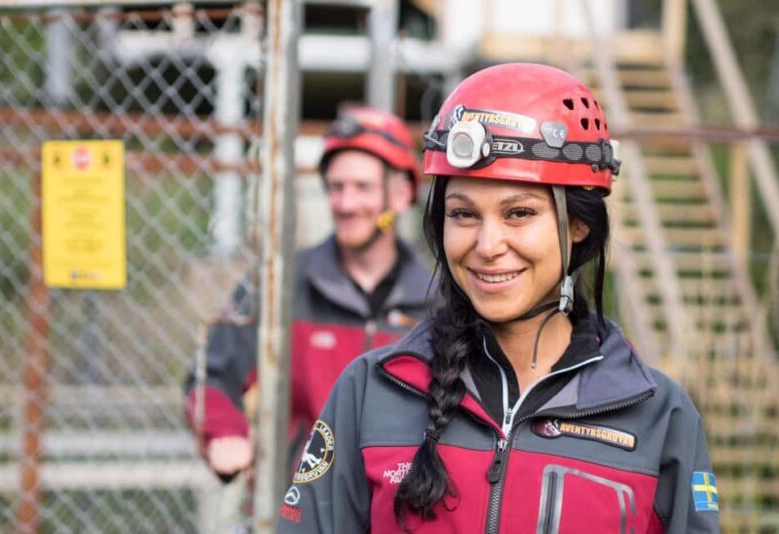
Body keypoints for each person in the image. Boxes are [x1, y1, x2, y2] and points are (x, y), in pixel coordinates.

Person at [277, 63, 719, 533]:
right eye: (463, 214)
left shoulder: (659, 416)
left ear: (579, 224)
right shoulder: (371, 391)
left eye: (519, 213)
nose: (487, 246)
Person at [184, 107, 432, 481]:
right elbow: (209, 379)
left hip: (400, 512)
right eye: (336, 187)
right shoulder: (279, 283)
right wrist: (224, 433)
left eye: (362, 188)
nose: (346, 204)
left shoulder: (439, 301)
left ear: (400, 195)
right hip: (298, 507)